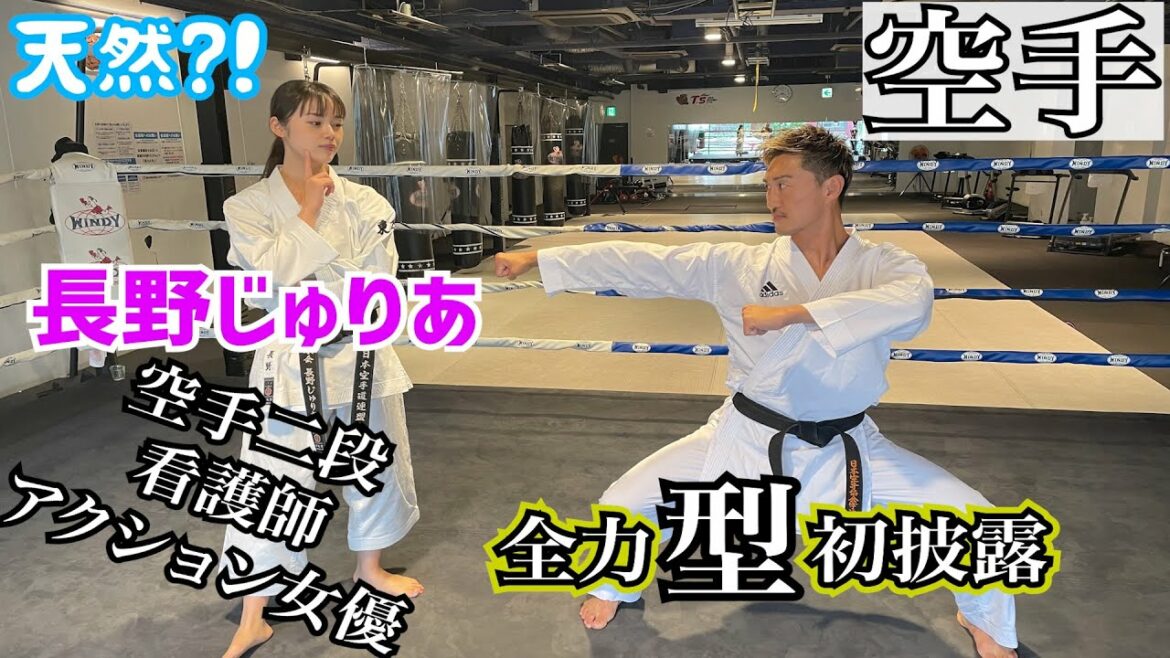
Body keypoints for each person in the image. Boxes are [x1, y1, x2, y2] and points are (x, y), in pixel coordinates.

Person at [494, 124, 1018, 658]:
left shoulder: (883, 265)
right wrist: (543, 259)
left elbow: (913, 304)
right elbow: (648, 262)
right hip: (745, 436)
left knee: (976, 520)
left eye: (784, 183)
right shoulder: (742, 265)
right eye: (768, 185)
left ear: (831, 187)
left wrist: (793, 314)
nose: (771, 198)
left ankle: (984, 620)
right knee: (624, 503)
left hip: (847, 445)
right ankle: (613, 585)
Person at [219, 79, 424, 658]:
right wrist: (308, 212)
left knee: (374, 464)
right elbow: (266, 284)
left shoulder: (367, 202)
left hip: (361, 354)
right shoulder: (246, 206)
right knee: (270, 479)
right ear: (278, 127)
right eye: (314, 122)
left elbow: (379, 282)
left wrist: (306, 272)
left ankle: (370, 570)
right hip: (288, 361)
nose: (330, 133)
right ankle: (255, 611)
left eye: (335, 122)